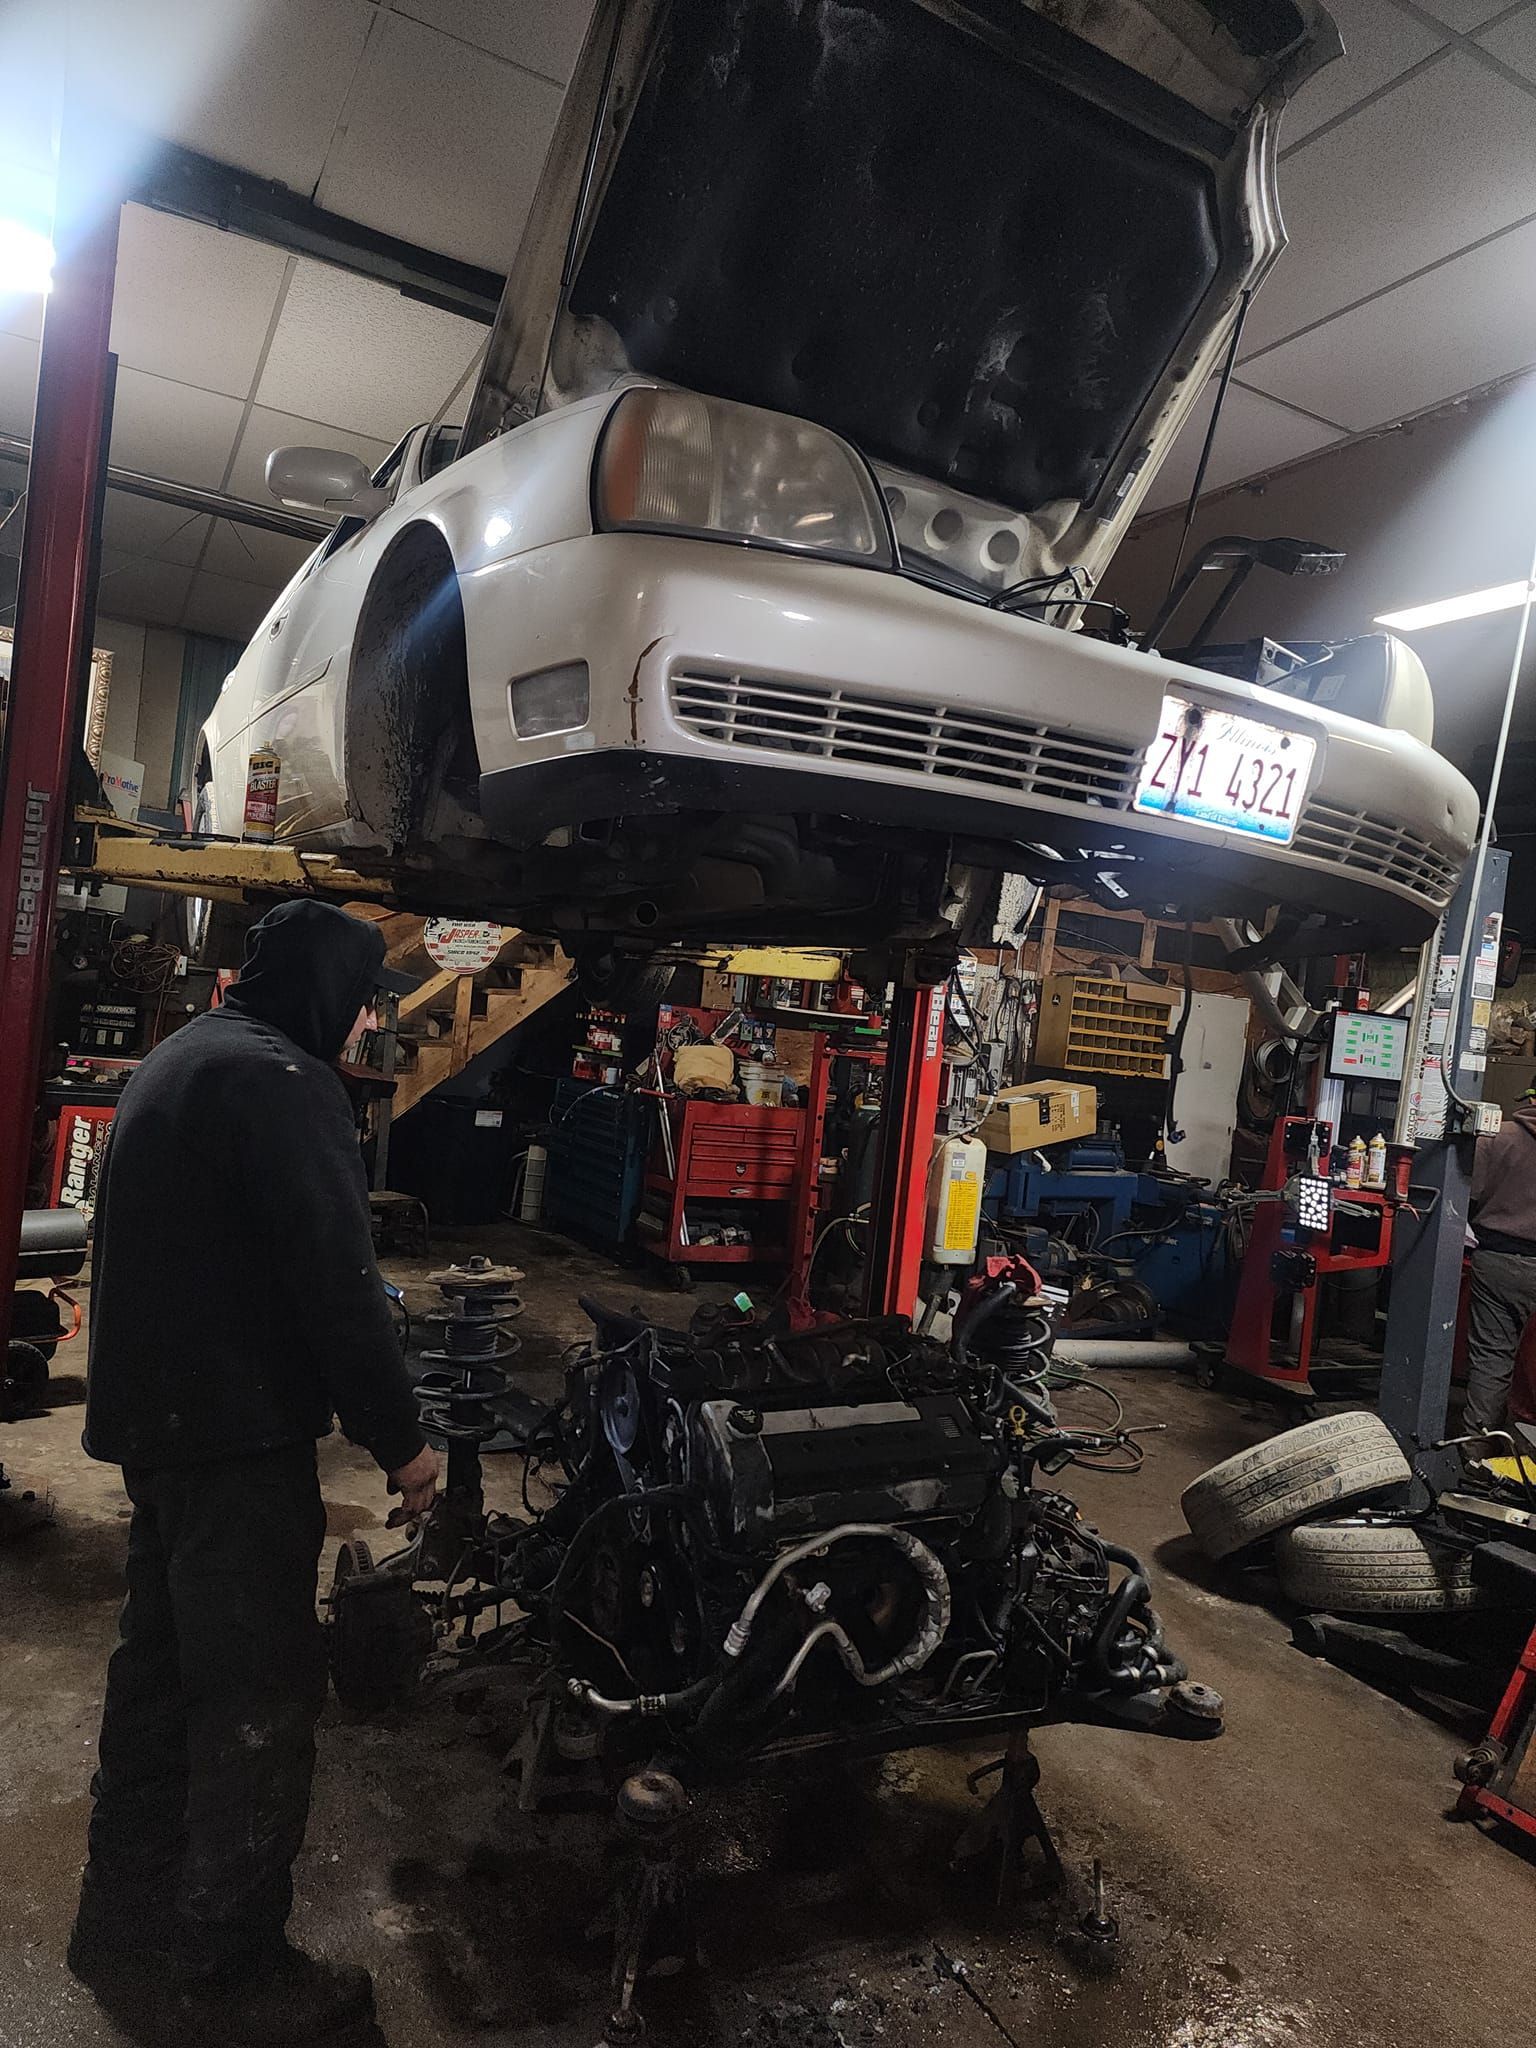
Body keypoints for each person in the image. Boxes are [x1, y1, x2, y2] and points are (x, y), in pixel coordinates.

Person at [68, 900, 439, 2042]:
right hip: (234, 1443)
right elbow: (337, 1282)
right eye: (365, 1000)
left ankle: (119, 1921)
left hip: (160, 1431)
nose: (363, 1023)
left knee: (160, 1676)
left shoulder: (181, 1055)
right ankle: (231, 1970)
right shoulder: (286, 1084)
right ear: (333, 992)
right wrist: (403, 1439)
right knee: (258, 1698)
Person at [1466, 1093, 1536, 1442]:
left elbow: (1468, 1194)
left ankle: (1476, 1454)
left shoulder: (1496, 1137)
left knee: (1491, 1361)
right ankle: (1526, 1461)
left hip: (1497, 1263)